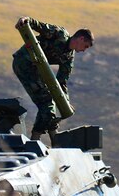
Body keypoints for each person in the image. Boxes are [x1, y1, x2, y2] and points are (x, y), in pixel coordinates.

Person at [13, 16, 94, 145]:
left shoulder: (68, 57)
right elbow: (40, 26)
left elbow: (61, 82)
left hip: (36, 69)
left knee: (50, 105)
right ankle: (35, 141)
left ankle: (53, 141)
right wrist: (25, 20)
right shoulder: (60, 34)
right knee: (47, 103)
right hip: (24, 63)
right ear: (81, 38)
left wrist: (65, 103)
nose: (84, 50)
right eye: (85, 46)